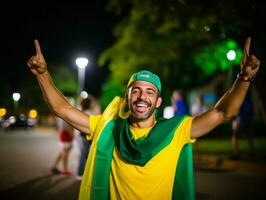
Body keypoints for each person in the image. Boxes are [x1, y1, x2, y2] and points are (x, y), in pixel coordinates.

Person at [27, 37, 260, 200]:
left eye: (150, 92)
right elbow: (62, 109)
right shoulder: (108, 127)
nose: (142, 97)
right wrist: (43, 74)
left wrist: (243, 78)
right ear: (127, 98)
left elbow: (223, 113)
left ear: (158, 102)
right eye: (136, 90)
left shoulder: (176, 131)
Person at [76, 95, 101, 180]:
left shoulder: (83, 112)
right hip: (85, 136)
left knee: (84, 154)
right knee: (84, 154)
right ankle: (80, 173)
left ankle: (81, 173)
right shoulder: (89, 113)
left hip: (82, 136)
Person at [50, 101, 75, 176]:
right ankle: (65, 170)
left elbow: (60, 126)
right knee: (65, 154)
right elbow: (66, 127)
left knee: (62, 153)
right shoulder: (65, 114)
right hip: (66, 135)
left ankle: (54, 166)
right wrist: (72, 134)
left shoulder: (62, 113)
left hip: (64, 135)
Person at [231, 91, 255, 159]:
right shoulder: (249, 101)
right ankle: (251, 152)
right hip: (248, 120)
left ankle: (236, 154)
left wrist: (235, 121)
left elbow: (237, 112)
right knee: (249, 136)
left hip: (240, 120)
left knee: (234, 137)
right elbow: (253, 112)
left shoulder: (240, 101)